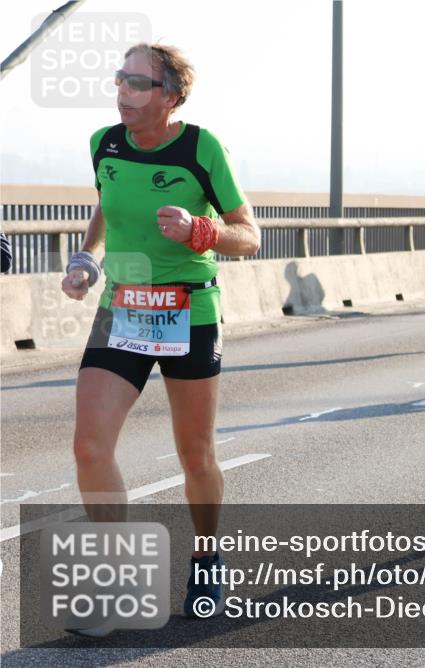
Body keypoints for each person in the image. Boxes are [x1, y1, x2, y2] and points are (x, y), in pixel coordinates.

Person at [60, 43, 261, 632]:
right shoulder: (105, 143)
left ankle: (206, 555)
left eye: (138, 82)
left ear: (170, 96)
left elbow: (249, 235)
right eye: (120, 78)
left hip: (188, 310)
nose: (122, 90)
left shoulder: (202, 148)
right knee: (88, 446)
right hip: (121, 307)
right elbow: (107, 206)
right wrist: (87, 260)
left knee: (194, 454)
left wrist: (202, 229)